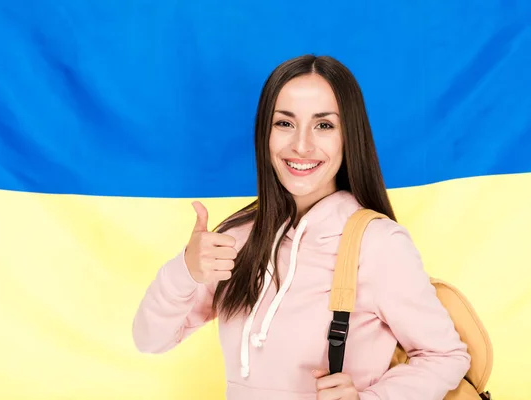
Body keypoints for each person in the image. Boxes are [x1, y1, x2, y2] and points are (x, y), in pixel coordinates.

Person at [132, 54, 471, 400]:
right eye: (284, 123)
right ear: (265, 132)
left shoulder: (378, 243)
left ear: (348, 136)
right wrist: (185, 272)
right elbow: (150, 340)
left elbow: (446, 356)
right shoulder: (238, 236)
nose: (302, 145)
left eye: (324, 125)